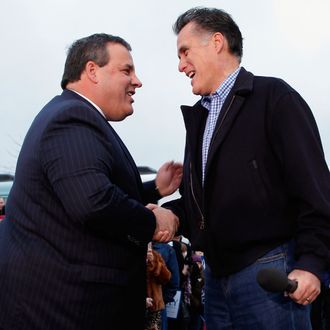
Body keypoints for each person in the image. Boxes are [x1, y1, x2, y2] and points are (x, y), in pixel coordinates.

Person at [0, 33, 181, 330]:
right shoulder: (71, 117)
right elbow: (93, 202)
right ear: (92, 71)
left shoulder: (74, 116)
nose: (137, 81)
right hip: (68, 308)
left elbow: (76, 191)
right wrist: (153, 221)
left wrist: (154, 189)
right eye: (127, 70)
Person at [165, 7, 330, 329]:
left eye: (185, 52)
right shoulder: (200, 118)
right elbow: (206, 206)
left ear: (216, 42)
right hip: (215, 281)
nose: (181, 65)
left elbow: (315, 189)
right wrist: (169, 213)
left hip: (269, 273)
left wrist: (311, 263)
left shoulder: (274, 98)